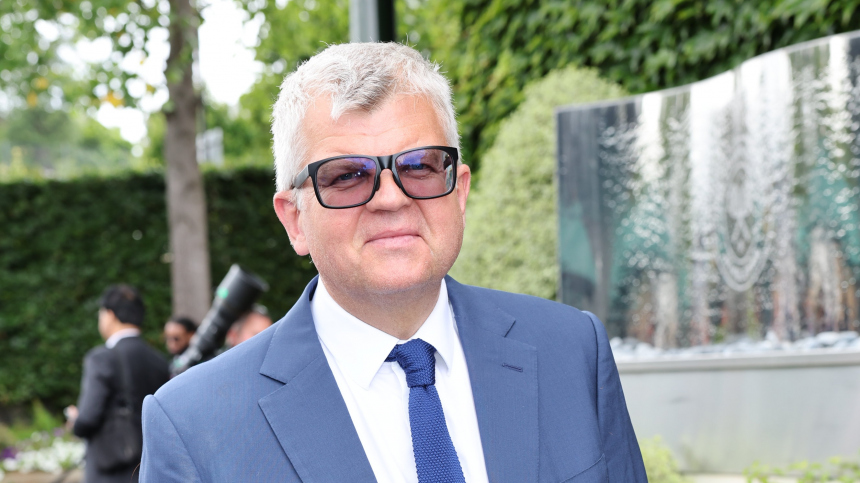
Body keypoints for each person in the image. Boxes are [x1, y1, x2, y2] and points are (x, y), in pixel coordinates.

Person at [140, 43, 647, 482]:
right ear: (294, 219)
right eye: (346, 176)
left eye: (420, 166)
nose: (391, 198)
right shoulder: (193, 425)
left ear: (460, 192)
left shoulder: (572, 352)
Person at [66, 285, 169, 483]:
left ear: (110, 315)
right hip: (149, 469)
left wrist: (75, 421)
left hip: (110, 471)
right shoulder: (159, 361)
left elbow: (88, 418)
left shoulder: (102, 358)